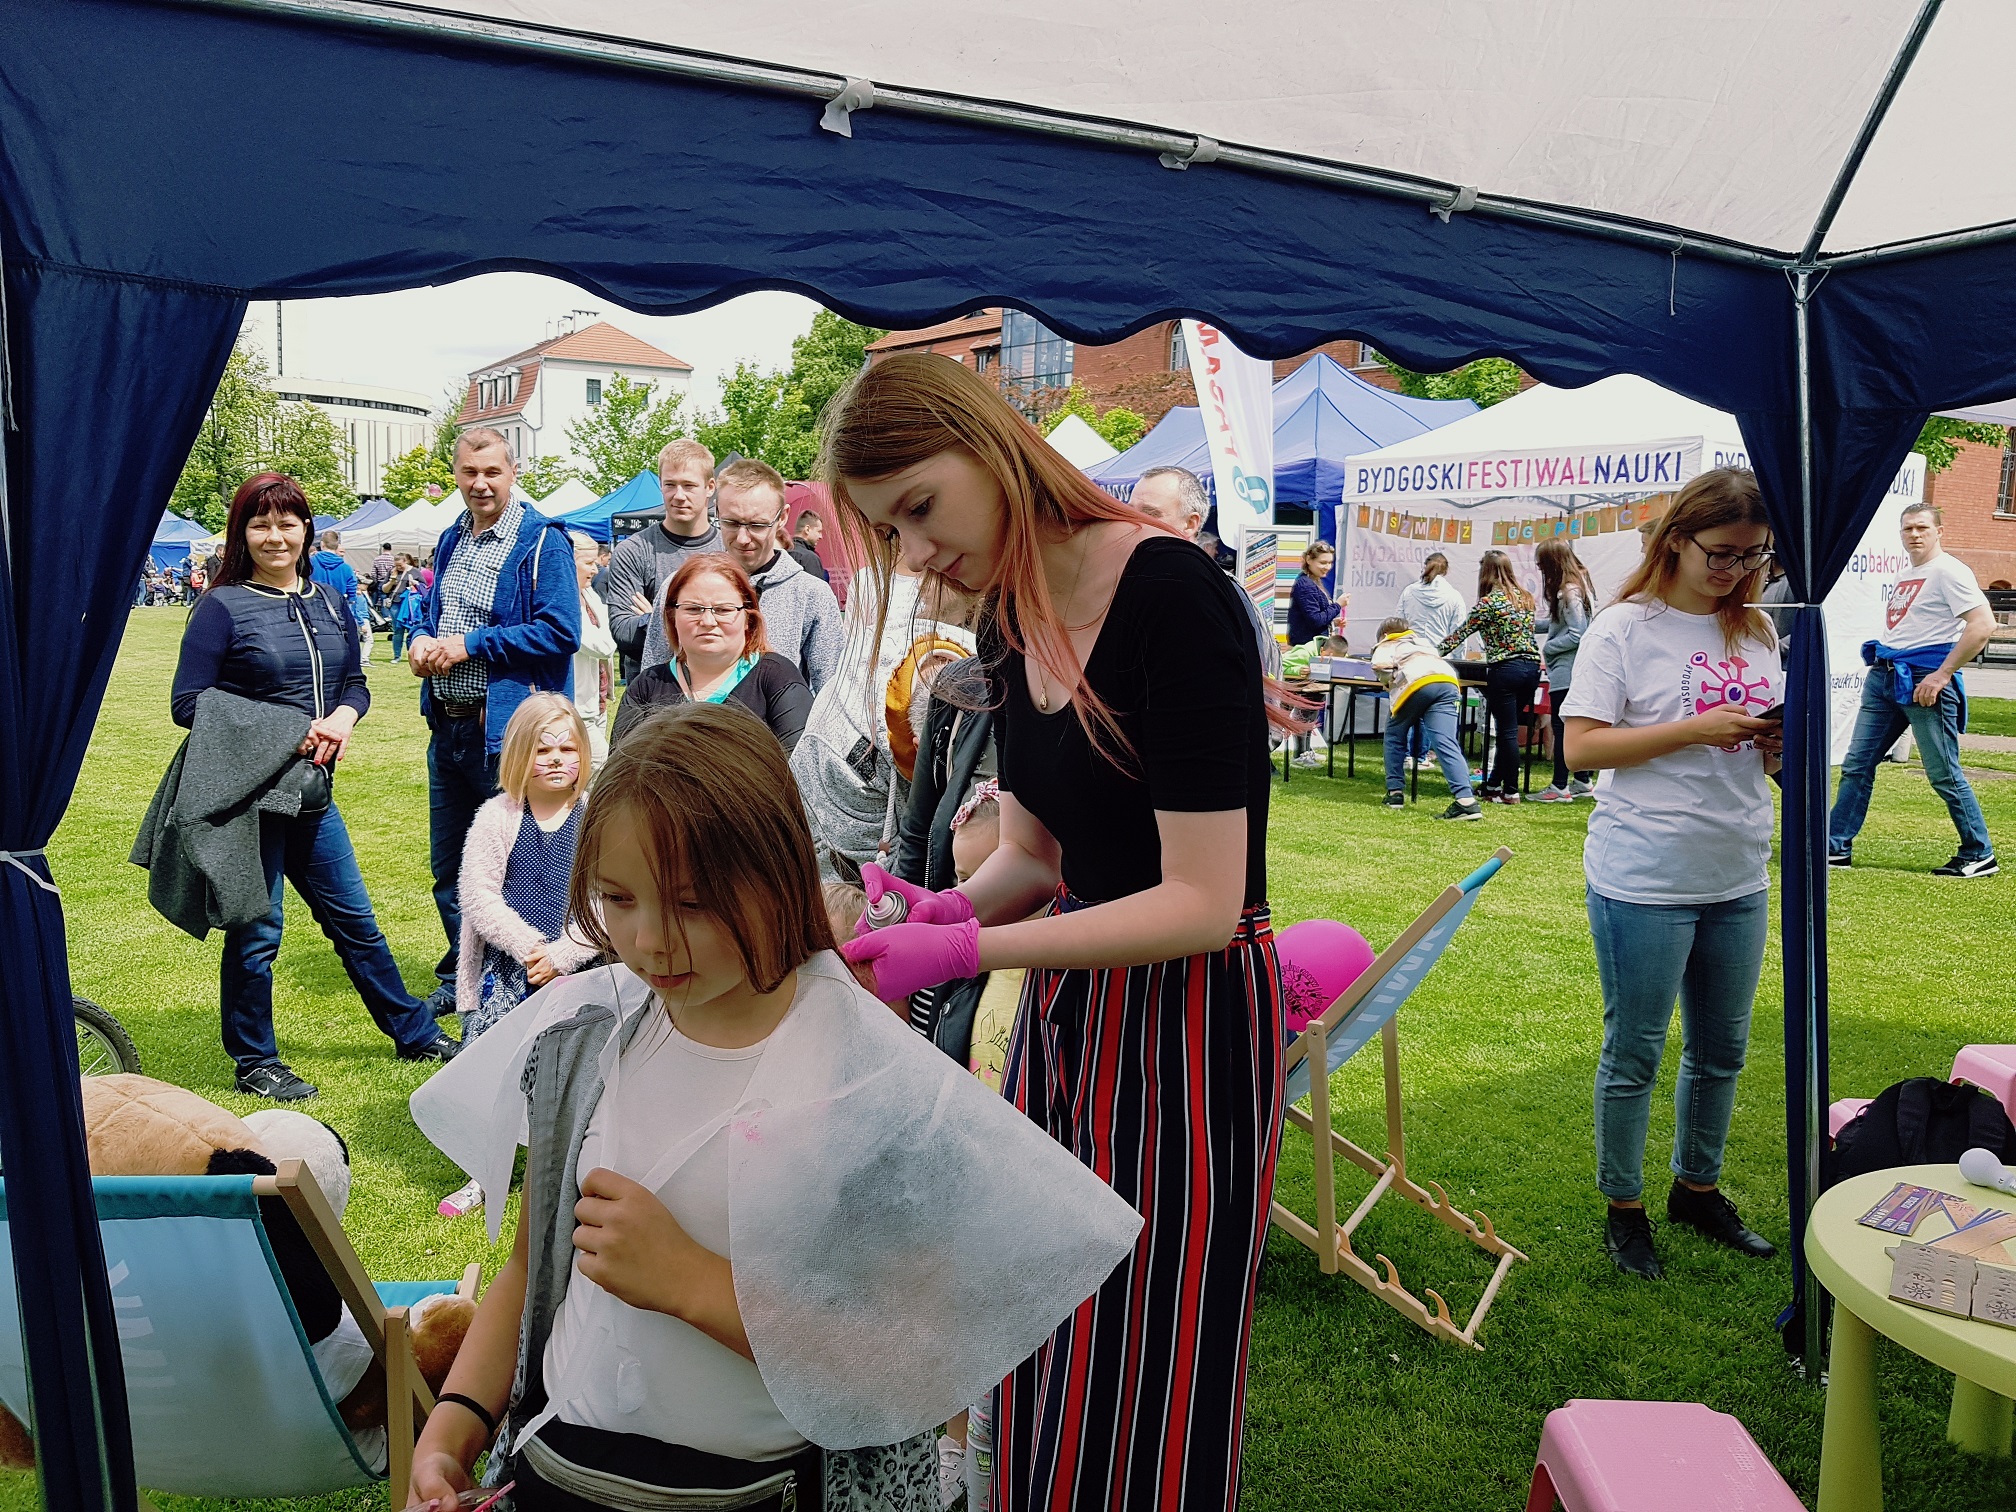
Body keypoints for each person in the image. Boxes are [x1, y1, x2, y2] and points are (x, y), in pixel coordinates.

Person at [405, 702, 1138, 1512]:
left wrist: (691, 1282)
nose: (651, 940)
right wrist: (450, 1433)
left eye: (692, 903)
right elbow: (530, 1265)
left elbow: (907, 1354)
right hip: (561, 1475)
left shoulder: (858, 1070)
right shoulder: (585, 1042)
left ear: (777, 873)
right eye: (618, 897)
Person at [827, 353, 1284, 1512]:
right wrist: (939, 910)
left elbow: (1202, 902)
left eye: (919, 508)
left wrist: (967, 951)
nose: (915, 553)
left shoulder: (1172, 595)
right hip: (1073, 1018)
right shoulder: (1008, 616)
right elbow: (1035, 861)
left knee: (1146, 1348)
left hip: (1188, 1032)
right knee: (1042, 1311)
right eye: (890, 531)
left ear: (990, 449)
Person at [1560, 468, 1783, 1281]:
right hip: (1645, 875)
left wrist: (1773, 745)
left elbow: (1760, 757)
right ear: (1677, 540)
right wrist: (1694, 729)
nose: (1736, 570)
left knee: (1722, 1051)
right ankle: (1624, 1209)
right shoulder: (1624, 627)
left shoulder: (1757, 628)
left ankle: (1698, 1188)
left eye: (1753, 556)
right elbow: (1579, 748)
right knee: (1636, 1054)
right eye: (1721, 552)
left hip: (1738, 868)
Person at [170, 473, 456, 1101]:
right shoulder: (221, 607)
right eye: (260, 524)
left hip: (311, 793)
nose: (275, 536)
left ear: (305, 528)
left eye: (287, 523)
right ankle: (255, 1061)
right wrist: (292, 731)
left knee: (356, 922)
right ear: (242, 534)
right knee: (258, 932)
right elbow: (188, 702)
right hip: (250, 794)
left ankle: (413, 1033)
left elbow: (355, 683)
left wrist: (344, 718)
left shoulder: (328, 600)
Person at [409, 427, 582, 1017]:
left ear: (513, 473)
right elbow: (434, 615)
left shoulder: (542, 542)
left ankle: (524, 973)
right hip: (449, 726)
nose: (480, 484)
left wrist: (471, 644)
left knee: (519, 865)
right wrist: (421, 640)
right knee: (453, 867)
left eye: (492, 473)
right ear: (456, 474)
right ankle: (464, 974)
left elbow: (561, 631)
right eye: (469, 473)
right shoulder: (450, 537)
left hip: (508, 733)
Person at [438, 694, 601, 1219]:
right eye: (542, 750)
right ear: (517, 756)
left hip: (579, 967)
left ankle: (577, 1168)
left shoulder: (598, 816)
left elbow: (608, 896)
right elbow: (477, 894)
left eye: (567, 748)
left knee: (578, 1070)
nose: (555, 759)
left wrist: (564, 953)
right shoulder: (496, 817)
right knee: (496, 1072)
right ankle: (484, 1170)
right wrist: (531, 948)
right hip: (509, 972)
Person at [1828, 503, 1999, 877]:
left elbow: (1983, 624)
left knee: (1943, 771)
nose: (1915, 534)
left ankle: (1979, 852)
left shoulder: (1949, 571)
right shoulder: (1908, 572)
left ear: (1940, 531)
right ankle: (1834, 847)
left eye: (1922, 527)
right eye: (1908, 528)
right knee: (1856, 765)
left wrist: (1942, 675)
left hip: (1924, 679)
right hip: (1886, 675)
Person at [642, 458, 843, 692]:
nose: (743, 538)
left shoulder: (811, 595)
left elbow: (832, 692)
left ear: (782, 517)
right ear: (717, 511)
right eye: (732, 523)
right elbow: (651, 684)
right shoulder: (679, 586)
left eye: (757, 525)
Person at [612, 554, 812, 755]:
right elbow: (620, 766)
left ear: (748, 618)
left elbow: (801, 765)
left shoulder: (776, 678)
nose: (708, 621)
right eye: (693, 609)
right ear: (672, 616)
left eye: (723, 610)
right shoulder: (647, 686)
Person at [1130, 464, 1283, 678]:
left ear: (1190, 524)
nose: (1132, 521)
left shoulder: (1212, 591)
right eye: (1129, 511)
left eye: (1150, 514)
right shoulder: (1132, 581)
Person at [603, 438, 721, 679]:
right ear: (660, 485)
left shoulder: (730, 550)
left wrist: (656, 616)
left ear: (710, 487)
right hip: (653, 687)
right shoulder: (633, 551)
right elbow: (623, 632)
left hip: (721, 684)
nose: (679, 496)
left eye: (689, 485)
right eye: (670, 485)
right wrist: (709, 619)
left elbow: (745, 627)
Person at [1440, 550, 1543, 803]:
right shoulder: (1525, 598)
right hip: (1532, 668)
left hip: (1505, 669)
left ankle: (1511, 791)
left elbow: (1459, 635)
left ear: (1485, 572)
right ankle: (1494, 784)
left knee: (1507, 732)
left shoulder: (1488, 604)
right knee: (1510, 728)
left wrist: (1429, 654)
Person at [1369, 617, 1481, 819]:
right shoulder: (1423, 643)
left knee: (1395, 735)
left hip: (1416, 684)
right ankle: (1466, 801)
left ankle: (1395, 793)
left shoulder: (1387, 643)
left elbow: (1381, 666)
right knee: (1446, 742)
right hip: (1447, 682)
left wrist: (1387, 682)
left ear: (1384, 634)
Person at [1533, 537, 1599, 803]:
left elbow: (1577, 634)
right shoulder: (1578, 586)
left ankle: (1559, 786)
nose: (1540, 571)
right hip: (1573, 669)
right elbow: (1558, 623)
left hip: (1567, 670)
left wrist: (1549, 648)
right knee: (1571, 726)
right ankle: (1582, 780)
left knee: (1562, 728)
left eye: (1542, 565)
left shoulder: (1569, 592)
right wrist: (1529, 624)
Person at [570, 532, 619, 772]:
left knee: (590, 773)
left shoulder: (588, 593)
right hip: (577, 707)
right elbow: (604, 646)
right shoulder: (565, 600)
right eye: (588, 563)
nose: (595, 569)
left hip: (597, 702)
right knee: (602, 769)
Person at [309, 530, 373, 667]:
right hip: (338, 610)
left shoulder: (311, 563)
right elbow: (352, 595)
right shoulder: (346, 568)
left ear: (322, 544)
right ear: (337, 546)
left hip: (313, 607)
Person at [1398, 553, 1466, 648]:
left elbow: (1398, 626)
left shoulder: (1408, 591)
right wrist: (1458, 657)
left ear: (1425, 567)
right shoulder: (1455, 596)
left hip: (1411, 651)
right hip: (1440, 654)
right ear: (1445, 571)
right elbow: (1459, 635)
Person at [1287, 540, 1345, 646]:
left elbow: (1310, 618)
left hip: (1312, 645)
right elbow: (1316, 620)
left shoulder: (1313, 581)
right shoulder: (1305, 585)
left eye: (1330, 563)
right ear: (1309, 560)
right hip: (1307, 647)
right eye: (1323, 563)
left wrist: (1332, 622)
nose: (1327, 567)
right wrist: (1338, 605)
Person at [791, 508, 830, 582]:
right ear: (807, 529)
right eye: (819, 531)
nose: (821, 536)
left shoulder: (780, 553)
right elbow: (817, 588)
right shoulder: (810, 558)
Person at [370, 541, 397, 615]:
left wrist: (375, 581)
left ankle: (383, 617)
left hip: (381, 582)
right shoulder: (394, 559)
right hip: (391, 582)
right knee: (390, 600)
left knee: (382, 600)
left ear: (383, 549)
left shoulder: (377, 559)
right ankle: (389, 616)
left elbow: (373, 574)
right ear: (390, 549)